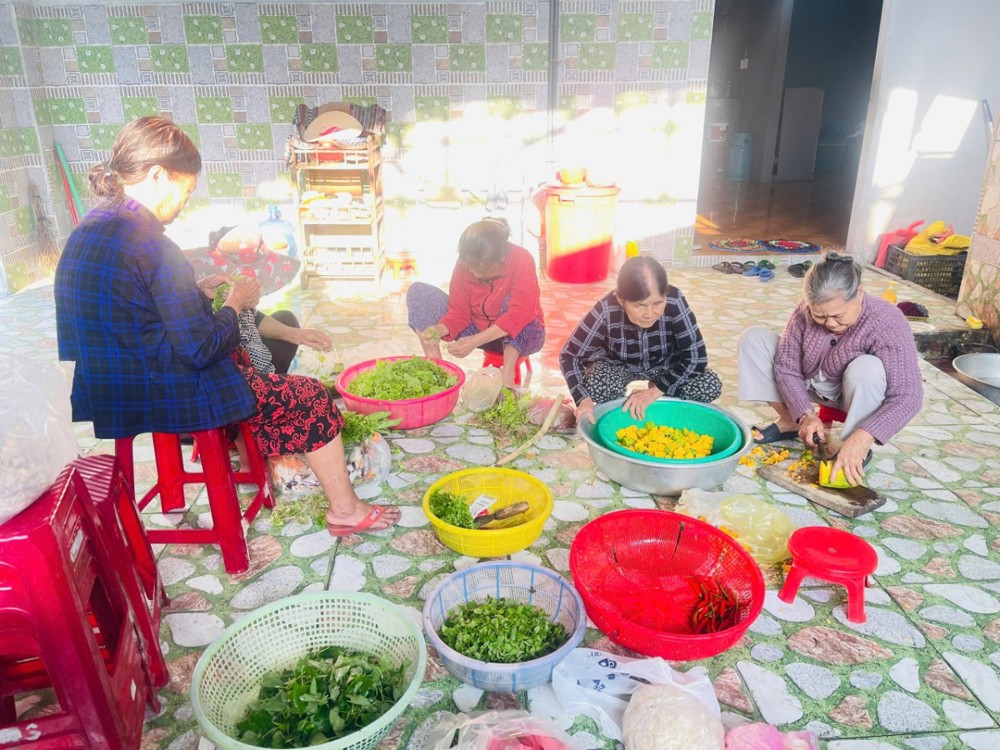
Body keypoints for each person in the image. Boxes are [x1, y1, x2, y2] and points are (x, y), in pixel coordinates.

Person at [54, 116, 398, 537]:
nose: (185, 202)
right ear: (158, 176)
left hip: (107, 390)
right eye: (186, 190)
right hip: (165, 393)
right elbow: (199, 350)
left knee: (258, 351)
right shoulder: (154, 245)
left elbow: (133, 310)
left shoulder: (90, 229)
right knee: (309, 396)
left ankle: (224, 466)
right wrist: (236, 303)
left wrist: (193, 292)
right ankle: (345, 510)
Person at [737, 251, 923, 486]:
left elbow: (908, 396)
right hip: (810, 384)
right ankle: (790, 421)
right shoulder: (804, 311)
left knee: (868, 368)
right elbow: (787, 368)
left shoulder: (887, 320)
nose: (830, 323)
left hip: (853, 393)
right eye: (820, 316)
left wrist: (864, 437)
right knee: (753, 339)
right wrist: (806, 414)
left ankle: (854, 447)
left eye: (838, 315)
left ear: (859, 293)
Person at [560, 255, 722, 424]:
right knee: (598, 385)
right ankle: (623, 413)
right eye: (640, 305)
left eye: (657, 303)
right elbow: (569, 355)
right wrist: (583, 399)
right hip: (619, 366)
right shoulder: (606, 309)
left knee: (708, 386)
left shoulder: (675, 300)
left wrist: (655, 392)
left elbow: (696, 358)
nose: (649, 314)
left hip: (665, 365)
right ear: (620, 299)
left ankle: (660, 400)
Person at [407, 218, 545, 389]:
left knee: (514, 308)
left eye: (483, 270)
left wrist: (473, 342)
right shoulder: (465, 263)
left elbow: (521, 312)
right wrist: (439, 329)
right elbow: (458, 313)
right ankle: (438, 372)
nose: (476, 274)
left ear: (500, 259)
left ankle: (507, 376)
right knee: (418, 292)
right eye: (472, 269)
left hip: (526, 336)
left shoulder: (521, 258)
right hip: (480, 331)